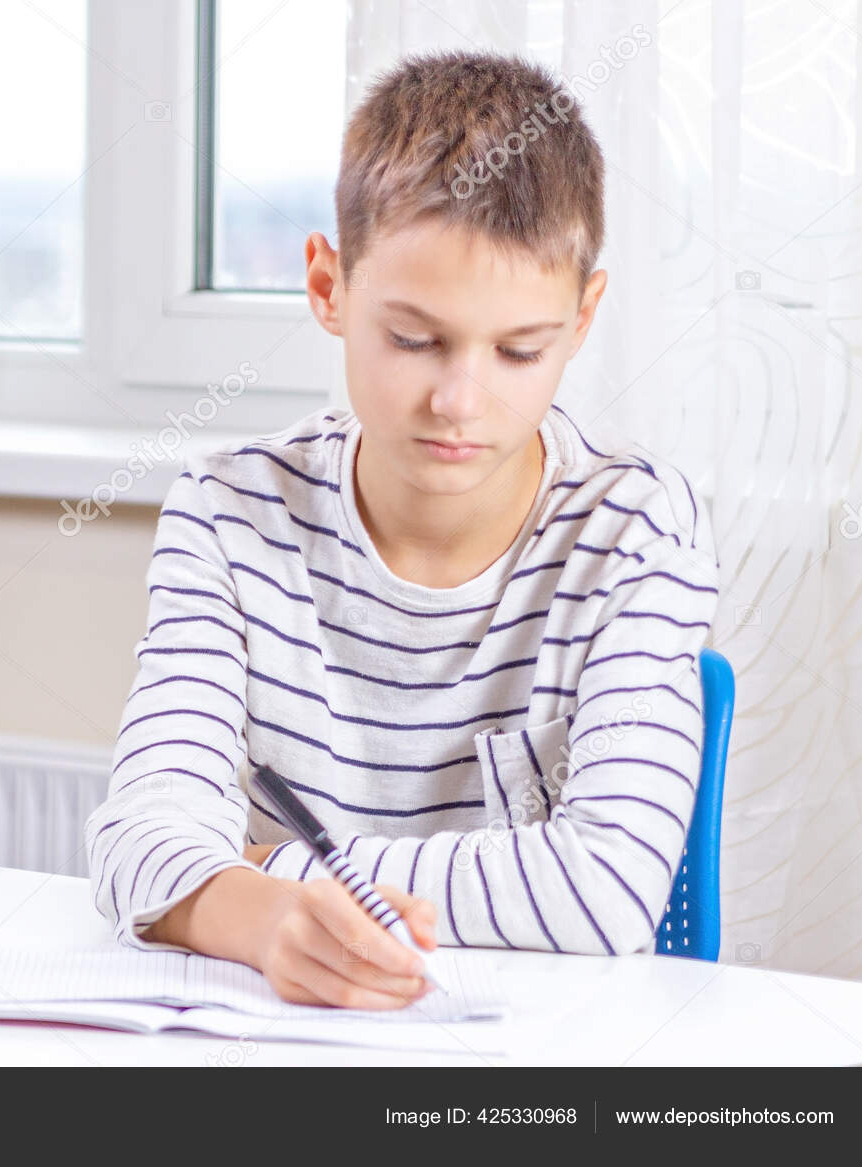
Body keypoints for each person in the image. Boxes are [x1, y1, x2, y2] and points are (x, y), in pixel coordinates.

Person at [85, 49, 720, 1010]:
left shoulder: (636, 528)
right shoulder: (227, 516)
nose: (459, 400)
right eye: (414, 339)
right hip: (280, 1037)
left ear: (583, 317)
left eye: (519, 350)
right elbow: (140, 832)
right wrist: (263, 922)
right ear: (328, 286)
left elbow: (611, 887)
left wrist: (271, 872)